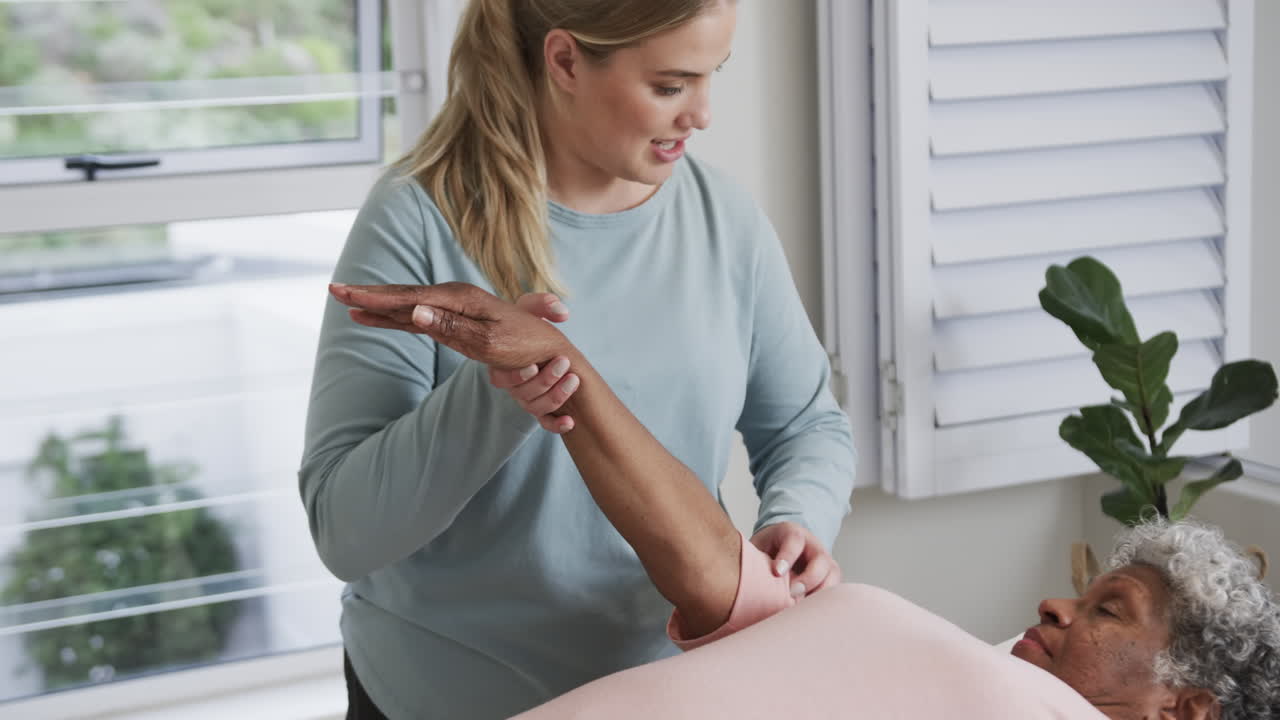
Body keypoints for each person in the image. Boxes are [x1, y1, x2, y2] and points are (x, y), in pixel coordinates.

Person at [333, 281, 1280, 720]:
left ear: (1183, 713)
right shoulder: (974, 671)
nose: (1056, 602)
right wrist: (560, 363)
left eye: (1110, 611)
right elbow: (717, 578)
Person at [298, 1, 856, 718]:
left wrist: (799, 521)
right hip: (446, 697)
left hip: (668, 691)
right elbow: (346, 533)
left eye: (712, 76)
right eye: (670, 85)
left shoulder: (723, 218)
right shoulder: (418, 217)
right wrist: (504, 384)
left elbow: (808, 426)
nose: (703, 115)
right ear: (563, 60)